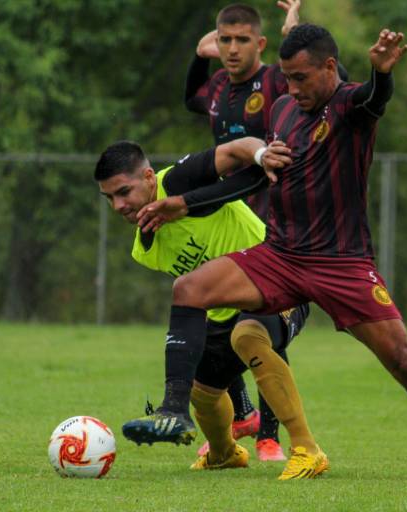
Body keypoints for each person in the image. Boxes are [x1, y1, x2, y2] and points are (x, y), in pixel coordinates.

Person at [139, 24, 407, 482]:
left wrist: (382, 74)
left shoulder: (350, 105)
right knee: (189, 288)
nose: (291, 88)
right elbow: (258, 178)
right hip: (281, 255)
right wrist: (184, 203)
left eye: (300, 78)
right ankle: (175, 407)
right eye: (286, 78)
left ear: (330, 68)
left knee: (405, 362)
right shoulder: (283, 111)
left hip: (342, 264)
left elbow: (375, 99)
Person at [94, 137, 327, 478]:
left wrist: (261, 154)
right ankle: (224, 453)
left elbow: (239, 148)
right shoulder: (146, 243)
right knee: (203, 394)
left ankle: (308, 450)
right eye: (109, 198)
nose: (117, 205)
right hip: (222, 313)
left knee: (248, 336)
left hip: (278, 283)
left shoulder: (180, 180)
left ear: (148, 177)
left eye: (123, 192)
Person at [183, 1, 303, 461]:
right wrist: (198, 54)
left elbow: (326, 82)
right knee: (220, 316)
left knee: (262, 327)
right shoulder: (217, 87)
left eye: (241, 40)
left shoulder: (273, 81)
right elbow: (189, 97)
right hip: (227, 222)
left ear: (261, 43)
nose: (232, 49)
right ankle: (245, 416)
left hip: (274, 223)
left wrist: (297, 28)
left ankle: (270, 435)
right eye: (225, 40)